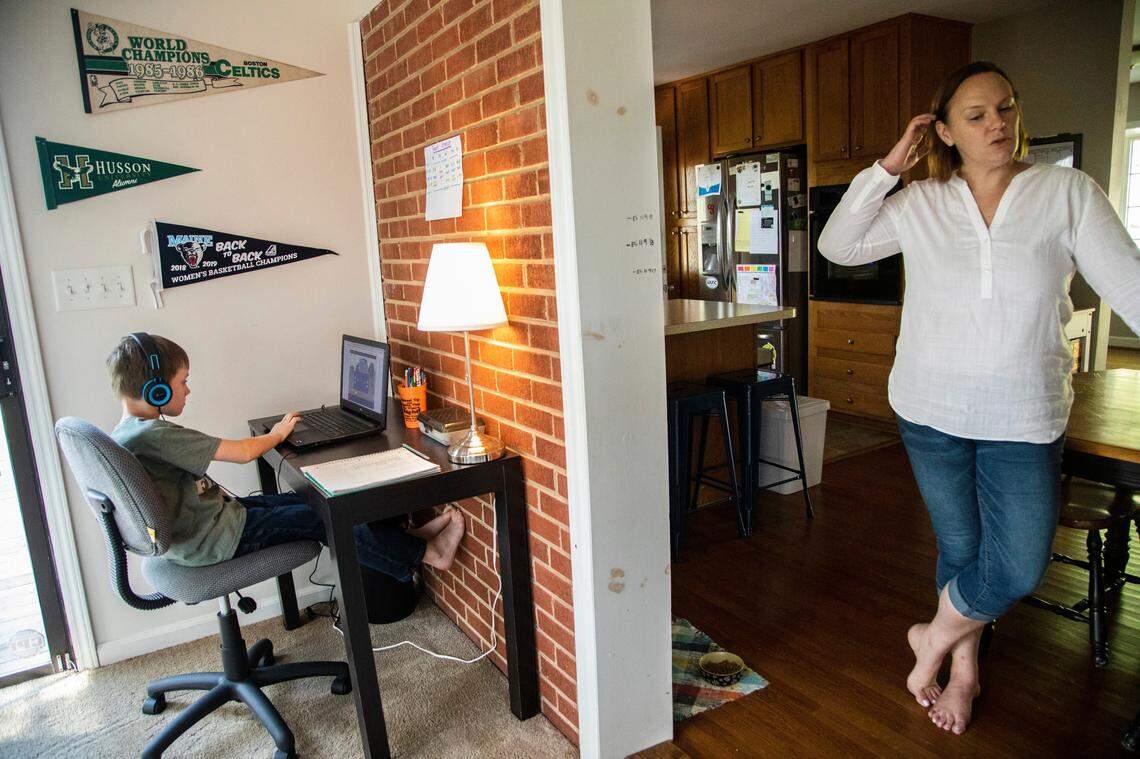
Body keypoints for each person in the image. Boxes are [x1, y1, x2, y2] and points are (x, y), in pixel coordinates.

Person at [818, 61, 1140, 735]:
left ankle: (933, 636)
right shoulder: (921, 202)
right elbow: (839, 245)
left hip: (1024, 414)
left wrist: (933, 630)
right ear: (943, 131)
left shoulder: (1066, 192)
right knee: (960, 547)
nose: (999, 123)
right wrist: (888, 168)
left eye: (1007, 107)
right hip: (929, 409)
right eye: (977, 115)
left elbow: (1131, 286)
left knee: (1018, 563)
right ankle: (964, 672)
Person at [106, 332, 465, 583]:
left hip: (208, 528)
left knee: (308, 500)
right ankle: (432, 554)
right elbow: (243, 453)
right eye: (183, 381)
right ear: (156, 390)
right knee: (327, 517)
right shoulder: (155, 435)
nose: (188, 389)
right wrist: (277, 434)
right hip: (218, 538)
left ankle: (410, 543)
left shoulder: (127, 432)